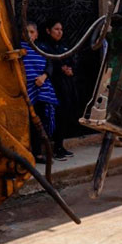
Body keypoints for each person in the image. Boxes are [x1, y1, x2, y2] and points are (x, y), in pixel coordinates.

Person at [41, 18, 80, 160]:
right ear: (48, 30)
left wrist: (70, 70)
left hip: (66, 87)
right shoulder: (43, 47)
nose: (59, 32)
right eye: (56, 29)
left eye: (61, 29)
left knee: (64, 115)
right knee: (53, 116)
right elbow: (48, 64)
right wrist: (59, 68)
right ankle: (52, 149)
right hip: (51, 87)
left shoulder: (64, 46)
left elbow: (72, 61)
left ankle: (59, 146)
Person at [22, 22, 59, 163]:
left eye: (32, 32)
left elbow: (49, 65)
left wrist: (43, 77)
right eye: (27, 32)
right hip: (24, 91)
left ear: (36, 34)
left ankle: (38, 153)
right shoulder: (18, 48)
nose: (29, 34)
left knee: (39, 122)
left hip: (41, 91)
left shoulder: (42, 49)